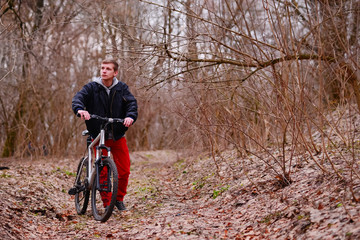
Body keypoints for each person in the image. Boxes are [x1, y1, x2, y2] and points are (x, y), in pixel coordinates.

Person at [72, 59, 138, 211]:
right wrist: (80, 109)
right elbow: (78, 98)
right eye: (102, 68)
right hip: (98, 134)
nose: (104, 71)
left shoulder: (122, 88)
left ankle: (119, 199)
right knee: (103, 170)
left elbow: (131, 104)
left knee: (124, 171)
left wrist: (130, 117)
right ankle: (107, 203)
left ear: (115, 72)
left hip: (117, 134)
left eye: (108, 69)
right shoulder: (92, 87)